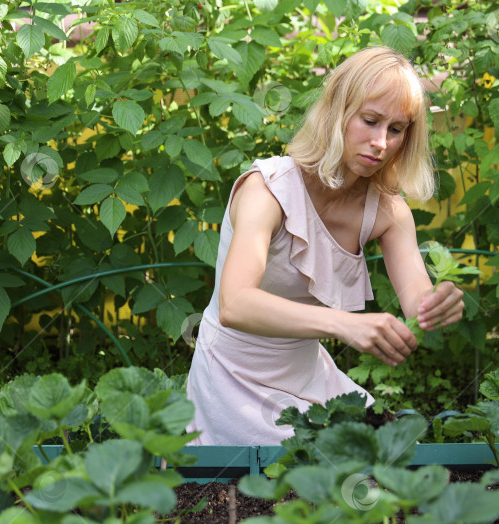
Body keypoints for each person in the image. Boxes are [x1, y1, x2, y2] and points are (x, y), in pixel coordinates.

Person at [186, 46, 465, 446]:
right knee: (305, 480)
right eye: (369, 121)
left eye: (397, 129)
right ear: (336, 111)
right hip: (232, 380)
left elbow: (417, 302)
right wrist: (344, 324)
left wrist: (438, 304)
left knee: (395, 455)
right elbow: (234, 305)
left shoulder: (389, 211)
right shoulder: (268, 189)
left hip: (308, 377)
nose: (381, 142)